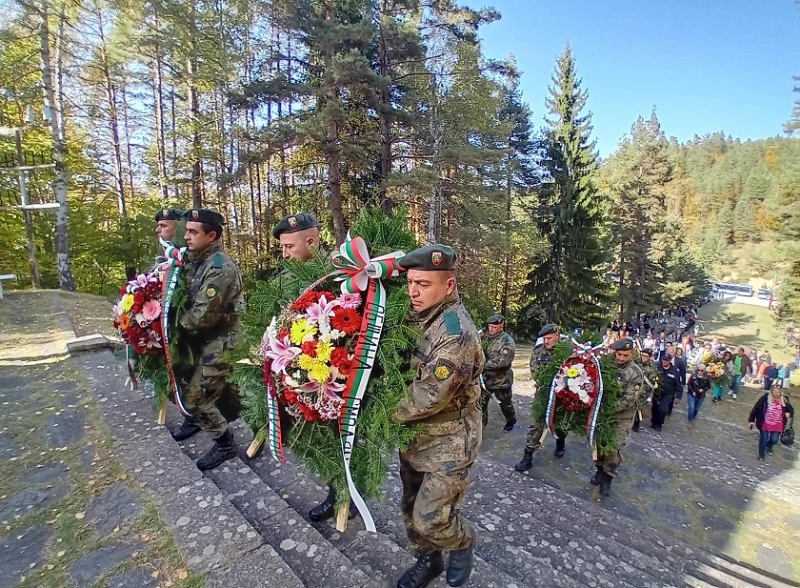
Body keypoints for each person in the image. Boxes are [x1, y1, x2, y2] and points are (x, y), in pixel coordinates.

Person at [391, 244, 483, 588]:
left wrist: (372, 408)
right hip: (414, 436)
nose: (414, 291)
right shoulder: (417, 313)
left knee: (431, 518)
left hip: (450, 440)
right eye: (411, 282)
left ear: (449, 286)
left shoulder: (455, 332)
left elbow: (427, 396)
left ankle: (462, 542)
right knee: (410, 507)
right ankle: (428, 561)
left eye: (424, 284)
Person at [272, 213, 354, 524]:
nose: (284, 253)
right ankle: (336, 491)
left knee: (341, 441)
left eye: (289, 246)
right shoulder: (283, 278)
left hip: (334, 375)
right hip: (299, 374)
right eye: (281, 247)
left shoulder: (337, 272)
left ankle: (345, 497)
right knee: (316, 441)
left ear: (310, 241)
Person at [177, 208, 244, 471]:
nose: (187, 237)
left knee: (196, 396)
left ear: (211, 235)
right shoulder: (195, 261)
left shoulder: (219, 267)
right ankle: (203, 421)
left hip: (224, 340)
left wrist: (171, 329)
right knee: (213, 391)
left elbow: (202, 315)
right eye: (187, 231)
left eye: (193, 232)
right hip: (205, 337)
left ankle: (225, 442)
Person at [592, 338, 644, 496]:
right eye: (619, 354)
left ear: (631, 354)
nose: (621, 358)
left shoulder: (635, 373)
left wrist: (607, 409)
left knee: (614, 449)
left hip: (622, 418)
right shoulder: (607, 365)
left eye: (625, 355)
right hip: (602, 415)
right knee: (599, 446)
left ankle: (608, 477)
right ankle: (599, 470)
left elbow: (628, 399)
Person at [515, 324, 566, 472]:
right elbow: (534, 371)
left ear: (557, 335)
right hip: (543, 394)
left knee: (560, 423)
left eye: (549, 338)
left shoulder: (566, 352)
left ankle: (560, 441)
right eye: (544, 339)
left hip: (562, 397)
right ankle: (528, 455)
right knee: (536, 423)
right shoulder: (539, 351)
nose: (546, 341)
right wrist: (546, 383)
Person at [479, 314, 517, 431]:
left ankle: (511, 420)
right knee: (481, 404)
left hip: (501, 380)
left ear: (501, 327)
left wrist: (481, 365)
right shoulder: (484, 337)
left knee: (505, 404)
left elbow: (503, 361)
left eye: (494, 327)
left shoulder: (506, 342)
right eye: (490, 327)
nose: (491, 329)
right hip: (486, 379)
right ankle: (481, 427)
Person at [748, 383, 794, 460]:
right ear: (772, 392)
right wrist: (751, 420)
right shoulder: (765, 398)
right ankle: (761, 454)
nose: (777, 394)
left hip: (778, 424)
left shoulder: (784, 399)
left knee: (774, 439)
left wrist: (789, 413)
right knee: (763, 438)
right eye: (775, 392)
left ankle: (769, 445)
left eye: (778, 392)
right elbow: (756, 408)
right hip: (765, 423)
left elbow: (790, 410)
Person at [652, 353, 681, 431]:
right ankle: (653, 422)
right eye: (663, 359)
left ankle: (659, 424)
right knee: (655, 407)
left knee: (662, 409)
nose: (664, 361)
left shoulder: (675, 371)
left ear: (670, 361)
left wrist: (678, 396)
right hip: (657, 392)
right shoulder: (658, 368)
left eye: (666, 360)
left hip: (668, 394)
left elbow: (679, 385)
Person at [633, 348, 659, 432]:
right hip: (632, 386)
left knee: (638, 407)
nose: (644, 358)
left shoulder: (652, 368)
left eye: (646, 356)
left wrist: (640, 391)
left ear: (650, 357)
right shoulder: (636, 362)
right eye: (643, 355)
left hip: (643, 391)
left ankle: (636, 424)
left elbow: (650, 384)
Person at [671, 347, 687, 415]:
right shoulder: (664, 359)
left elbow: (683, 372)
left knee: (671, 395)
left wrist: (683, 382)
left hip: (675, 380)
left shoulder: (680, 361)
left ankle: (669, 407)